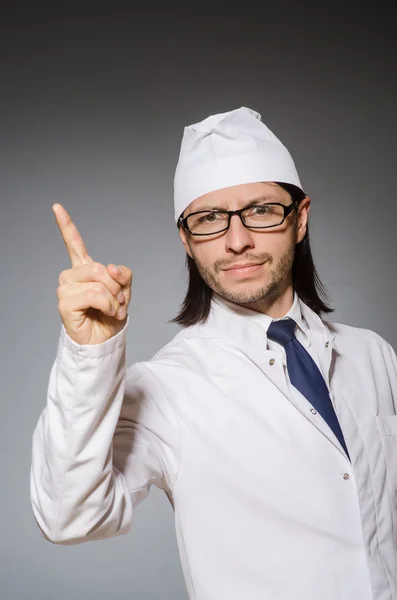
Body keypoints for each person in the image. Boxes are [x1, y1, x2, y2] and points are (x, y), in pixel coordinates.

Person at [30, 107, 397, 600]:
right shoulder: (167, 387)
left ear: (300, 218)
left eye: (262, 210)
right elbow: (67, 515)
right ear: (187, 240)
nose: (237, 240)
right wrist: (88, 355)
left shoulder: (374, 355)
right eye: (209, 219)